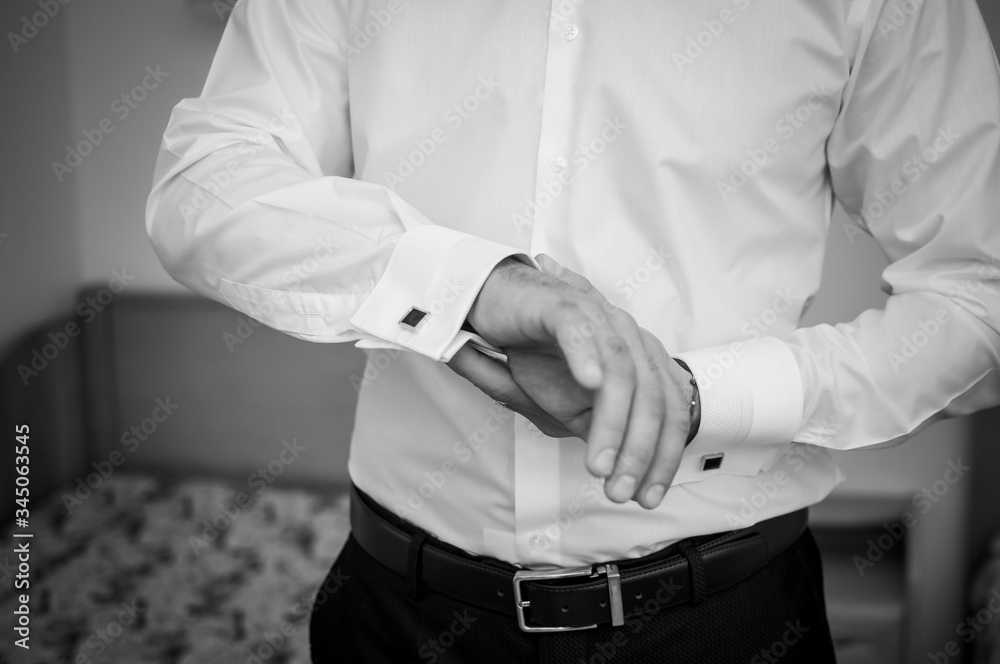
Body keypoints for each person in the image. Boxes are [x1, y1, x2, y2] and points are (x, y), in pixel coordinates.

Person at [146, 0, 1000, 661]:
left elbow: (981, 294)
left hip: (726, 625)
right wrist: (476, 285)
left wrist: (699, 398)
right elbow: (206, 180)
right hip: (394, 618)